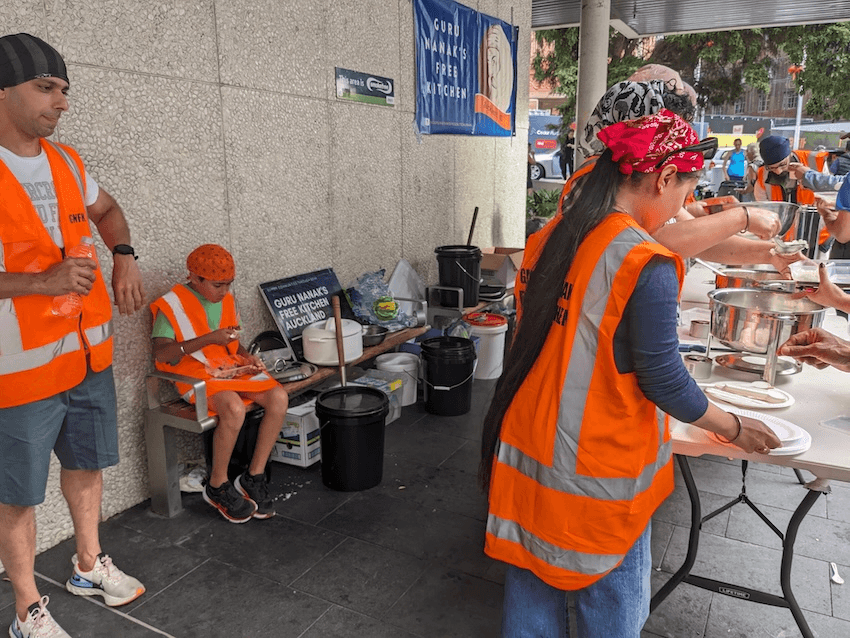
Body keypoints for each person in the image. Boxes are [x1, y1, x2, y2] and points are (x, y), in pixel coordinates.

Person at [480, 111, 781, 638]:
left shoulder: (550, 235)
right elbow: (664, 380)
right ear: (664, 179)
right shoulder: (644, 260)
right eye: (685, 192)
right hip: (597, 476)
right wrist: (733, 426)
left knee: (530, 599)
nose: (680, 211)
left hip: (526, 453)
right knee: (611, 612)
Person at [0, 33, 147, 637]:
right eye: (45, 87)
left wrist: (126, 256)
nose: (61, 102)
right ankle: (27, 608)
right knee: (18, 495)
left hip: (89, 356)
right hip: (21, 370)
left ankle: (88, 562)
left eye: (64, 89)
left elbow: (108, 211)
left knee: (86, 465)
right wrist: (38, 284)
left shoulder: (66, 161)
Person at [557, 72, 793, 274]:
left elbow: (695, 237)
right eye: (667, 129)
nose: (674, 139)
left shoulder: (642, 180)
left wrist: (772, 254)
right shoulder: (594, 179)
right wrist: (741, 218)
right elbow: (653, 240)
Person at [150, 244, 289, 524]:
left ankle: (254, 477)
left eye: (228, 284)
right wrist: (210, 340)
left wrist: (250, 359)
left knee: (279, 397)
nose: (224, 291)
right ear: (194, 277)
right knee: (234, 409)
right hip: (193, 375)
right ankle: (217, 485)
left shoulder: (226, 300)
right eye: (217, 285)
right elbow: (162, 353)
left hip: (228, 368)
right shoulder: (171, 305)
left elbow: (233, 344)